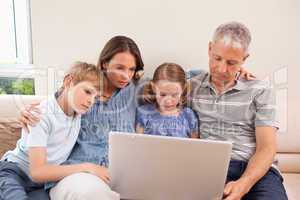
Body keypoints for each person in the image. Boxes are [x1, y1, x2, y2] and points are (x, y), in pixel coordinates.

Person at [189, 22, 288, 200]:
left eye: (232, 63)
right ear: (209, 48)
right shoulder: (191, 86)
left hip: (258, 171)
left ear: (245, 58)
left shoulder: (261, 90)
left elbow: (267, 148)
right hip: (212, 168)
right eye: (217, 58)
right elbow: (159, 83)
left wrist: (244, 183)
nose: (221, 69)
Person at [0, 62, 103, 200]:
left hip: (41, 184)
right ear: (69, 81)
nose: (91, 101)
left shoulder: (79, 113)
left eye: (95, 98)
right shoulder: (40, 114)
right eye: (88, 92)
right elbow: (37, 172)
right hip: (14, 173)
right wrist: (86, 167)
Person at [136, 62, 199, 138]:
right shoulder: (144, 113)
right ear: (153, 87)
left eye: (174, 95)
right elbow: (138, 143)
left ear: (183, 89)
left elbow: (195, 145)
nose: (168, 101)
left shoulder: (188, 116)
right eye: (162, 95)